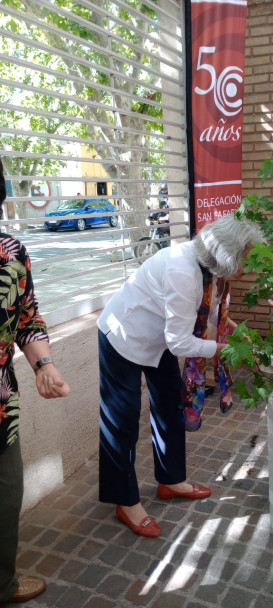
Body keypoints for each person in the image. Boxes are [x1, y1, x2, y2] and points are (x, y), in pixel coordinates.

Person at [97, 213, 264, 537]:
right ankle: (125, 501)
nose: (250, 267)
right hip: (124, 338)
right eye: (246, 259)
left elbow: (213, 310)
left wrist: (236, 332)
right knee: (122, 422)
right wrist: (223, 349)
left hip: (157, 341)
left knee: (171, 407)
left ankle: (171, 481)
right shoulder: (183, 272)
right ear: (225, 258)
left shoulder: (210, 268)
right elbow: (179, 343)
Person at [0, 159, 70, 604]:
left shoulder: (10, 252)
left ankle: (2, 584)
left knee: (7, 497)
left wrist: (44, 363)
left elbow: (26, 319)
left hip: (1, 407)